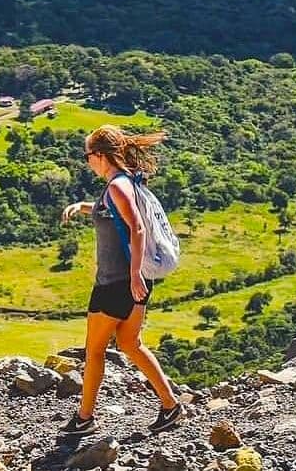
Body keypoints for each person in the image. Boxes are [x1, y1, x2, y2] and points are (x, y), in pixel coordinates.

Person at [58, 125, 183, 437]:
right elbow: (111, 214)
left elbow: (137, 227)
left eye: (88, 156)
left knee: (95, 350)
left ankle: (84, 418)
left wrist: (133, 275)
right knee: (129, 343)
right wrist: (84, 207)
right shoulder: (124, 184)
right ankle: (170, 405)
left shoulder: (117, 186)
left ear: (100, 155)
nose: (87, 162)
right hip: (135, 281)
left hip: (117, 282)